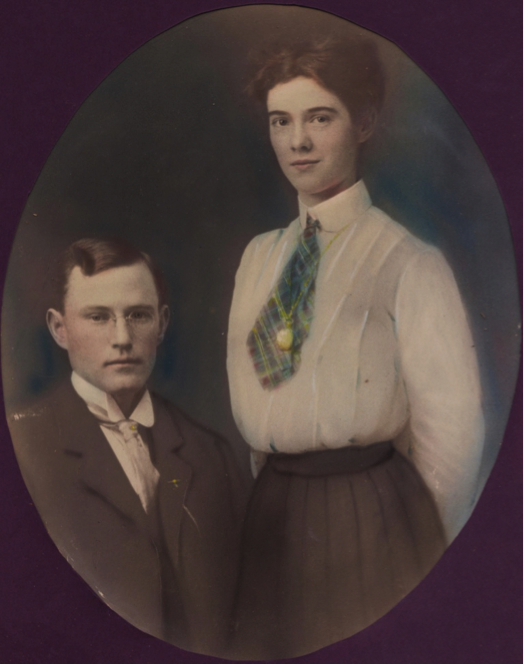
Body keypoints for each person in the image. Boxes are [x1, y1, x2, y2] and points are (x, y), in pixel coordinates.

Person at [227, 36, 485, 659]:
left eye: (320, 118)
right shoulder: (259, 256)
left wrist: (411, 540)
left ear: (363, 122)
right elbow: (260, 402)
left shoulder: (408, 261)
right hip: (272, 513)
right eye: (281, 122)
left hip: (370, 514)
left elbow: (452, 439)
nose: (298, 142)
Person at [8, 238, 245, 656]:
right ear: (59, 328)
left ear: (162, 323)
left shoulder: (210, 453)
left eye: (138, 315)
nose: (122, 338)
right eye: (98, 317)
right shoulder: (22, 447)